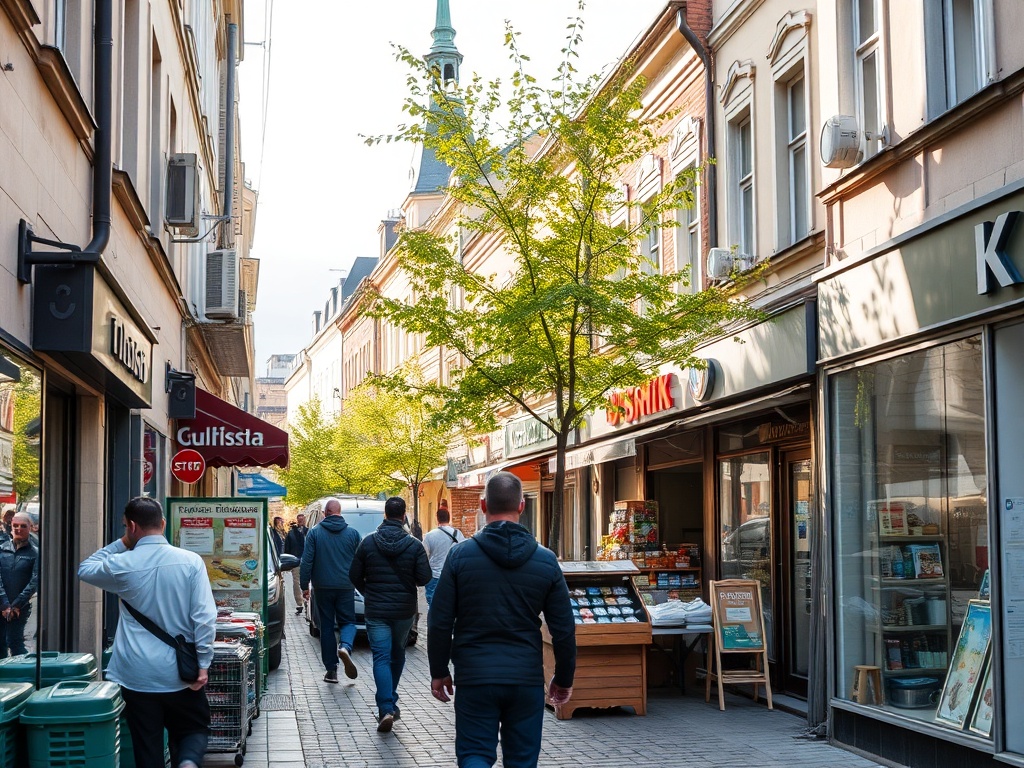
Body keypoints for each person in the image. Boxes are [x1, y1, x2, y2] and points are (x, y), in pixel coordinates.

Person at [428, 472, 576, 768]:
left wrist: (439, 670)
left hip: (475, 677)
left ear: (483, 505)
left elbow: (440, 620)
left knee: (474, 754)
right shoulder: (546, 560)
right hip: (525, 678)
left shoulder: (460, 557)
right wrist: (563, 678)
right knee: (522, 760)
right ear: (522, 506)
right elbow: (563, 628)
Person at [78, 496, 216, 768]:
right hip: (180, 671)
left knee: (146, 742)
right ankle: (188, 762)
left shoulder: (121, 564)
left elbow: (85, 569)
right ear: (163, 523)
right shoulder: (190, 561)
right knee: (193, 729)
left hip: (137, 674)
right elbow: (204, 617)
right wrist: (203, 663)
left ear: (131, 526)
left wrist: (122, 543)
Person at [349, 496, 431, 733]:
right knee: (397, 655)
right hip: (404, 610)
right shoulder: (414, 545)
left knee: (381, 657)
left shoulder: (368, 543)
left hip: (376, 610)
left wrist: (368, 593)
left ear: (384, 515)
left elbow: (354, 575)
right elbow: (424, 578)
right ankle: (390, 702)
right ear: (404, 516)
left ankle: (386, 706)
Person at [299, 499, 361, 683]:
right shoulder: (353, 534)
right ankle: (346, 646)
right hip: (345, 587)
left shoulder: (314, 533)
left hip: (322, 587)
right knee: (348, 622)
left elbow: (306, 561)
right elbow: (360, 562)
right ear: (340, 513)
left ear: (325, 513)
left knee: (326, 627)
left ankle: (331, 671)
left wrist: (304, 586)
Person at [0, 512, 39, 657]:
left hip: (20, 607)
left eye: (23, 526)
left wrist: (16, 604)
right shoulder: (2, 548)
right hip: (1, 604)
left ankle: (23, 673)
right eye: (15, 525)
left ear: (30, 528)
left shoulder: (35, 553)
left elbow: (34, 581)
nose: (18, 529)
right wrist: (4, 604)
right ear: (11, 527)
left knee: (14, 642)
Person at [421, 502, 465, 608]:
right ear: (449, 519)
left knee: (433, 604)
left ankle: (433, 624)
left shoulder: (430, 536)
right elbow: (463, 553)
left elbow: (423, 556)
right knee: (452, 604)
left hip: (434, 576)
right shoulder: (458, 534)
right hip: (453, 575)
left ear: (437, 519)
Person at [284, 513, 308, 614]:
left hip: (306, 560)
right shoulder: (291, 533)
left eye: (302, 520)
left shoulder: (310, 532)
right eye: (300, 520)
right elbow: (287, 548)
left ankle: (305, 602)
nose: (301, 522)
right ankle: (300, 603)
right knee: (297, 582)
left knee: (302, 582)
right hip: (297, 560)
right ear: (297, 521)